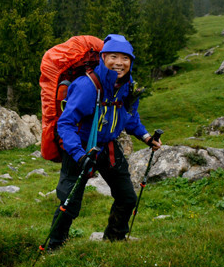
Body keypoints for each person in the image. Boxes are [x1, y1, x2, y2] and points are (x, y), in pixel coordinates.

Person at [46, 34, 162, 250]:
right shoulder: (86, 86)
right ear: (102, 58)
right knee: (69, 204)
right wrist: (79, 155)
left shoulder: (127, 86)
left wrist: (146, 137)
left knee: (127, 198)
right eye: (113, 56)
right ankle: (54, 247)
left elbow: (129, 117)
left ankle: (114, 240)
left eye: (125, 58)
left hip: (108, 147)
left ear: (131, 61)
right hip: (80, 149)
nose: (119, 63)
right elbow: (66, 124)